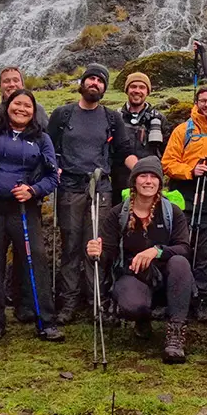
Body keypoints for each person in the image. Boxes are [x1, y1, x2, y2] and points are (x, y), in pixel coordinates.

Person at [47, 63, 137, 325]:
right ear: (82, 83)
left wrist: (145, 171)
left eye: (100, 80)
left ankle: (96, 301)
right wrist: (53, 172)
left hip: (101, 188)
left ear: (105, 88)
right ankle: (69, 302)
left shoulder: (111, 118)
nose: (95, 83)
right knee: (71, 245)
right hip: (70, 188)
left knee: (96, 246)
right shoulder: (62, 115)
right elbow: (47, 148)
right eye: (91, 79)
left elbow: (123, 150)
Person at [88, 157, 194, 362]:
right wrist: (95, 252)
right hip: (132, 274)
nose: (148, 181)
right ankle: (142, 319)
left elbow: (184, 248)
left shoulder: (172, 212)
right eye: (143, 176)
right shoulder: (118, 213)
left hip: (166, 278)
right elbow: (107, 252)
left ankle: (175, 334)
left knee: (180, 262)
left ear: (160, 183)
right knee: (133, 305)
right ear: (134, 181)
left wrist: (157, 251)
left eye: (154, 177)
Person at [0, 90, 59, 341]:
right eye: (17, 104)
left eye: (28, 106)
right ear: (7, 106)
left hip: (24, 208)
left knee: (34, 258)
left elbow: (53, 176)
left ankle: (45, 321)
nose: (22, 109)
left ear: (34, 112)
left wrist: (33, 190)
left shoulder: (42, 138)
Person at [160, 86, 207, 257]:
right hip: (185, 199)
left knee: (205, 253)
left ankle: (202, 284)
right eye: (203, 100)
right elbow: (167, 163)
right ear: (196, 103)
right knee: (180, 247)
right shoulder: (182, 130)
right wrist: (191, 170)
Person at [116, 72, 168, 196]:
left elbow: (167, 152)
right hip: (119, 184)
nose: (137, 90)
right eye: (133, 86)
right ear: (127, 90)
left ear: (148, 92)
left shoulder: (159, 119)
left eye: (142, 87)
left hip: (149, 184)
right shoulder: (116, 117)